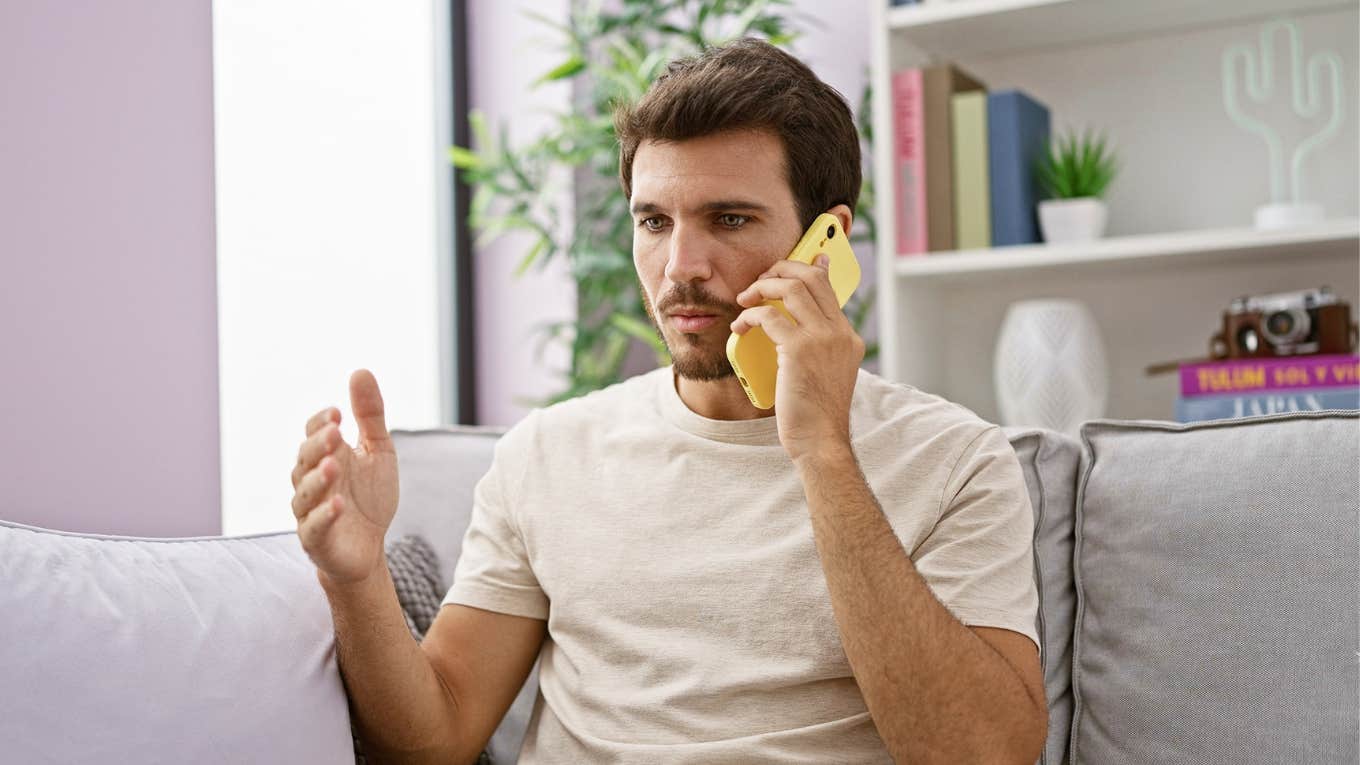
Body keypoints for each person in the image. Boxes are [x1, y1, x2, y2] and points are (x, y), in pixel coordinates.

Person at [289, 37, 1046, 764]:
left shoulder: (955, 461)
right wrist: (355, 579)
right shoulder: (545, 455)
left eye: (729, 219)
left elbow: (982, 753)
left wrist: (823, 452)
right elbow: (434, 738)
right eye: (653, 221)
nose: (680, 267)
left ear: (827, 241)